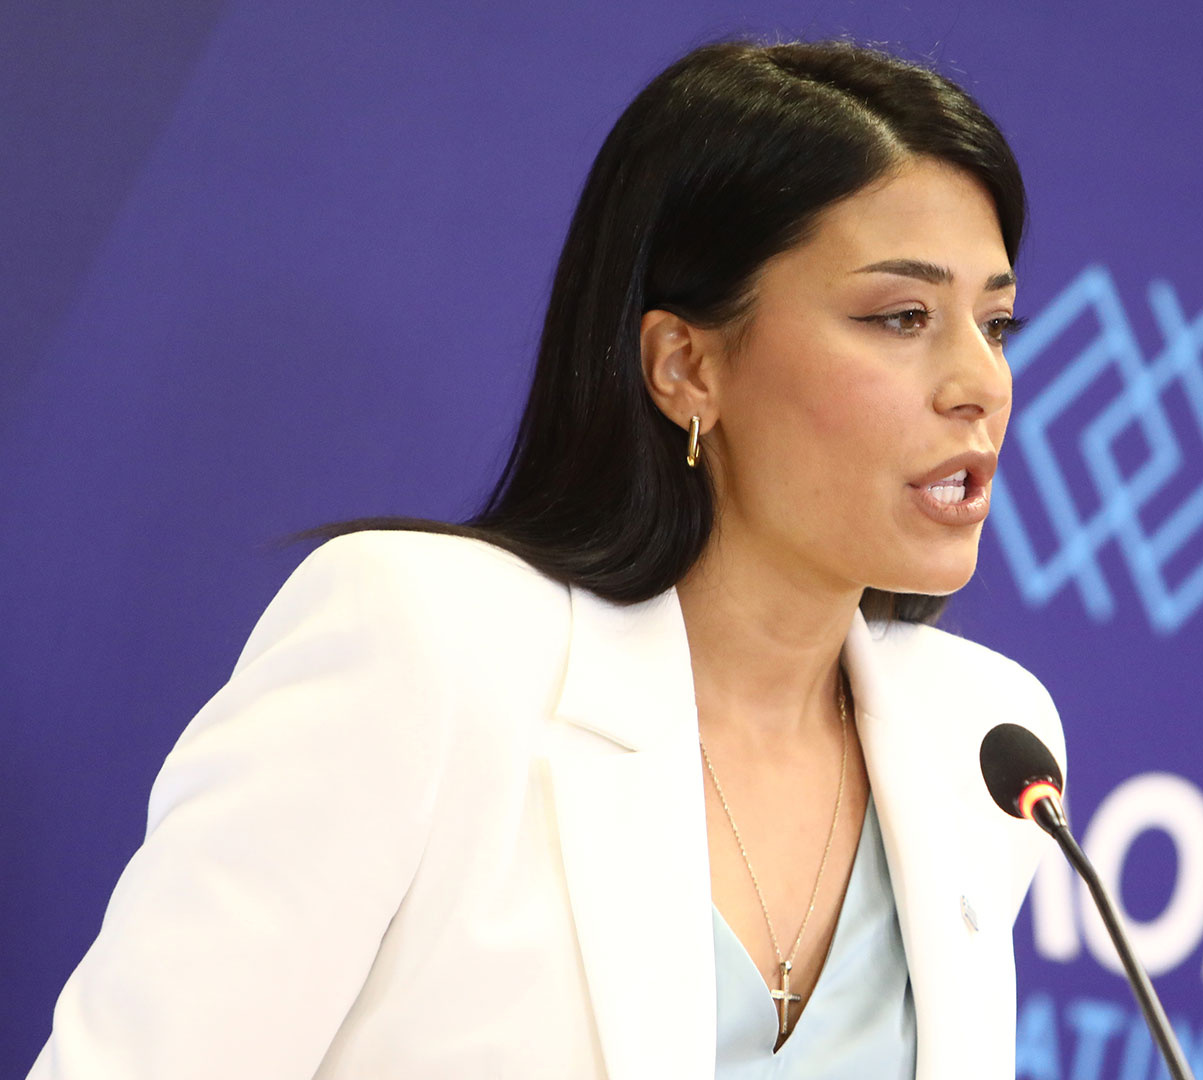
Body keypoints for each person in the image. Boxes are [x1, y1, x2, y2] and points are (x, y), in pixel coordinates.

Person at [29, 37, 1066, 1080]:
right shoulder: (428, 647)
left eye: (996, 324)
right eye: (901, 317)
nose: (981, 385)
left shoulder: (985, 743)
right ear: (685, 365)